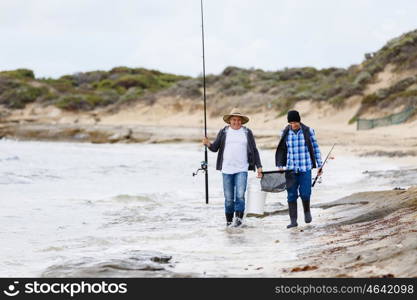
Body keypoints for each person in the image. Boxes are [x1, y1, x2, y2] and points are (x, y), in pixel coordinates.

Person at [202, 108, 263, 227]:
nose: (236, 122)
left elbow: (254, 150)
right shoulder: (224, 132)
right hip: (226, 169)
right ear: (229, 121)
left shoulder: (247, 132)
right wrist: (208, 143)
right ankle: (229, 224)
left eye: (239, 120)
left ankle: (238, 223)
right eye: (234, 120)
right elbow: (215, 148)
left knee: (240, 196)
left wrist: (259, 167)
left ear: (242, 121)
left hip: (242, 169)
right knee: (229, 199)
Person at [275, 110, 323, 228]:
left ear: (299, 120)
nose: (294, 124)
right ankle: (293, 221)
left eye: (295, 122)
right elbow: (281, 150)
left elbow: (315, 148)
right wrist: (280, 165)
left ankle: (307, 212)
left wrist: (319, 165)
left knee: (305, 193)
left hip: (305, 167)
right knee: (291, 195)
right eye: (291, 122)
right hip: (290, 169)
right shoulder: (285, 132)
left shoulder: (308, 131)